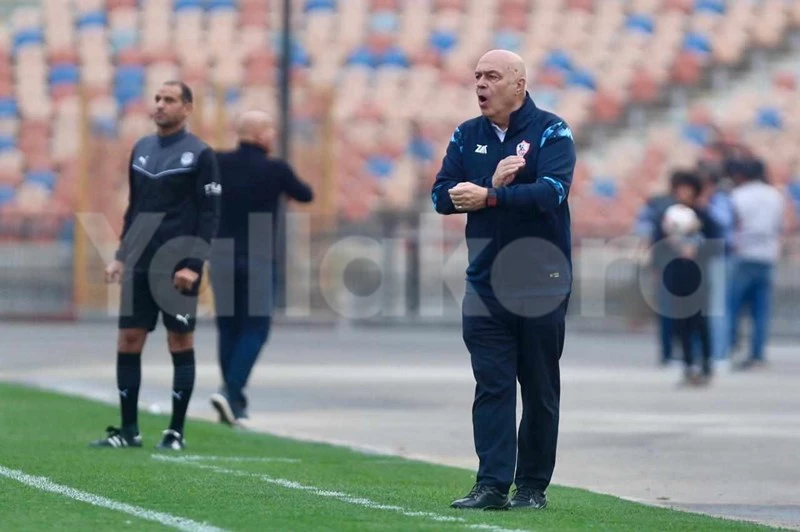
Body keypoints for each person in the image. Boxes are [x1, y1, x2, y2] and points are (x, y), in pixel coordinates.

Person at [431, 49, 576, 510]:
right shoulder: (466, 134)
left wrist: (490, 196)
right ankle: (491, 484)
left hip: (541, 278)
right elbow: (440, 195)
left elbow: (552, 192)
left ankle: (531, 485)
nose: (481, 84)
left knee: (538, 385)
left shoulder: (552, 130)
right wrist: (488, 185)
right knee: (491, 384)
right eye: (477, 76)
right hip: (484, 280)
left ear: (518, 84)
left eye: (492, 76)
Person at [91, 81, 221, 450]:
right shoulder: (142, 149)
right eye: (158, 99)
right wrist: (121, 256)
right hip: (141, 262)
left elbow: (210, 215)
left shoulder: (201, 155)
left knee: (179, 341)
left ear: (187, 108)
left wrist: (193, 264)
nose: (161, 105)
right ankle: (128, 431)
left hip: (178, 264)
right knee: (129, 339)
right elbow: (136, 209)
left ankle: (175, 431)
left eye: (170, 100)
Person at [208, 110, 313, 427]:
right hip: (258, 255)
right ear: (258, 135)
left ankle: (233, 400)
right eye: (269, 130)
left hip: (221, 253)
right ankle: (231, 392)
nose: (273, 135)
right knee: (256, 328)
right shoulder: (275, 169)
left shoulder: (217, 163)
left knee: (228, 327)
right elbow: (305, 194)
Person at [656, 171, 721, 385]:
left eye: (687, 189)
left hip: (699, 276)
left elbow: (716, 244)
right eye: (679, 189)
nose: (683, 193)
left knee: (701, 321)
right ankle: (688, 364)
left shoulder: (704, 217)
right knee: (680, 322)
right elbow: (657, 246)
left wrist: (697, 250)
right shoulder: (668, 216)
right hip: (676, 275)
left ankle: (706, 363)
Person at [728, 158, 785, 369]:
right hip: (767, 256)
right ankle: (758, 354)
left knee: (733, 307)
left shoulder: (738, 195)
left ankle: (729, 348)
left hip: (743, 254)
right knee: (761, 311)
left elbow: (732, 224)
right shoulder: (775, 195)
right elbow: (780, 226)